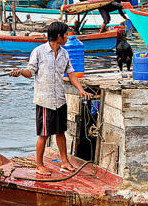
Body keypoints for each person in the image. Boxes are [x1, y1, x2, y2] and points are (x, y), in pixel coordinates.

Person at [10, 22, 91, 175]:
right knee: (44, 133)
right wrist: (20, 72)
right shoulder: (39, 52)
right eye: (66, 34)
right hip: (45, 100)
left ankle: (64, 161)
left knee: (60, 132)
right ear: (59, 36)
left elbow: (71, 73)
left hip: (60, 98)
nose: (67, 37)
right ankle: (39, 165)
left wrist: (80, 90)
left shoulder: (64, 53)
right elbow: (30, 71)